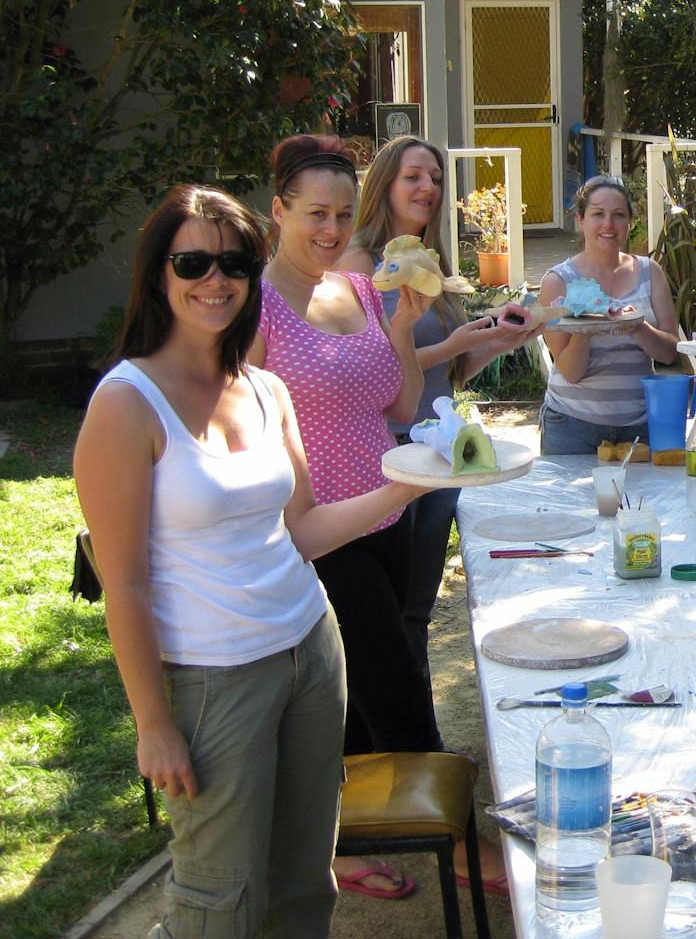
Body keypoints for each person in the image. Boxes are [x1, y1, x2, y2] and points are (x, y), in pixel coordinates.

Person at [74, 185, 429, 936]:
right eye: (193, 261)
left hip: (309, 650)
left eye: (234, 262)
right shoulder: (126, 403)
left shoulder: (265, 388)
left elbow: (300, 531)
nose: (216, 279)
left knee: (304, 881)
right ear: (157, 274)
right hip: (213, 681)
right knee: (220, 896)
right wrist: (153, 724)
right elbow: (125, 583)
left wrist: (406, 483)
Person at [249, 134, 434, 899]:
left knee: (354, 689)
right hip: (318, 530)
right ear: (278, 212)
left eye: (338, 214)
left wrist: (402, 328)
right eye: (313, 214)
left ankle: (342, 842)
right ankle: (452, 834)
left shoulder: (357, 290)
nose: (329, 230)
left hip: (390, 515)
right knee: (393, 674)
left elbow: (400, 405)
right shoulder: (252, 303)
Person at [338, 135, 540, 682]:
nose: (428, 187)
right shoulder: (356, 264)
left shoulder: (430, 261)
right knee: (381, 609)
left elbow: (448, 374)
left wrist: (499, 340)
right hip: (383, 453)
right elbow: (373, 366)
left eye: (435, 178)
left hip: (438, 450)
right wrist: (451, 346)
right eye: (413, 177)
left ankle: (420, 740)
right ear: (384, 184)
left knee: (417, 608)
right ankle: (388, 740)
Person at [538, 174, 679, 455]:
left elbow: (669, 353)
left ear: (629, 223)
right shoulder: (557, 281)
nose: (608, 225)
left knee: (639, 501)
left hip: (639, 423)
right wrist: (584, 329)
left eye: (618, 215)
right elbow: (571, 373)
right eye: (597, 214)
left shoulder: (650, 272)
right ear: (580, 220)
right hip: (572, 424)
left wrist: (638, 328)